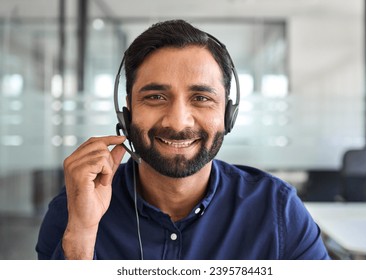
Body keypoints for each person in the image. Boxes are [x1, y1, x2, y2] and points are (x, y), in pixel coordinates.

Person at [36, 19, 331, 260]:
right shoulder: (74, 207)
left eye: (201, 98)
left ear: (228, 113)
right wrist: (81, 236)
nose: (178, 121)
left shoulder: (277, 209)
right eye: (155, 97)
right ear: (127, 112)